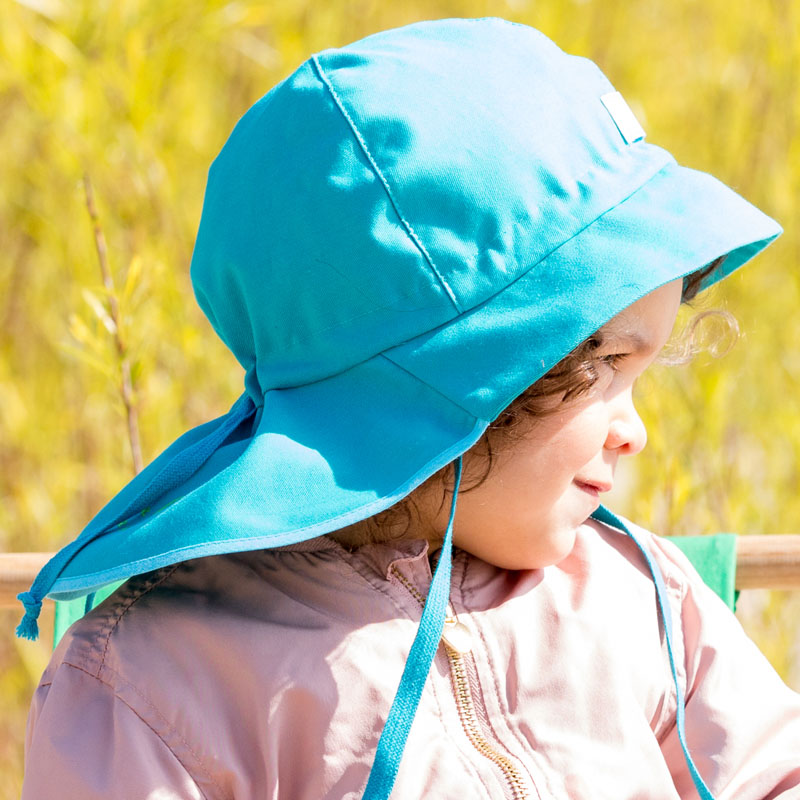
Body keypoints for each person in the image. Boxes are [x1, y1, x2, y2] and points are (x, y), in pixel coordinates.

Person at [17, 17, 800, 800]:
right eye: (606, 373)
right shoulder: (161, 680)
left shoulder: (642, 600)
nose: (636, 433)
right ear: (462, 385)